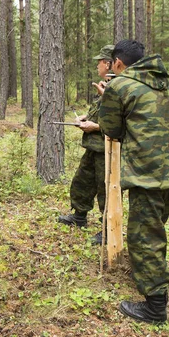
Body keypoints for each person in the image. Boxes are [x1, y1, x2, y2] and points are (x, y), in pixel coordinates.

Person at [98, 39, 169, 324]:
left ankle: (154, 307)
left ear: (119, 64)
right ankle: (151, 279)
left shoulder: (120, 86)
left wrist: (106, 97)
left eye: (112, 65)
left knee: (144, 238)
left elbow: (110, 129)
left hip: (145, 173)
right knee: (155, 228)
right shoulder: (167, 85)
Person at [57, 45, 114, 246]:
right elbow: (104, 112)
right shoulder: (107, 84)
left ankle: (109, 230)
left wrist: (95, 126)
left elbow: (121, 120)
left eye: (100, 61)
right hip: (94, 146)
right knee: (82, 180)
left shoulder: (119, 86)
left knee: (106, 190)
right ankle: (79, 216)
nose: (97, 65)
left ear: (108, 63)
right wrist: (86, 118)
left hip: (108, 149)